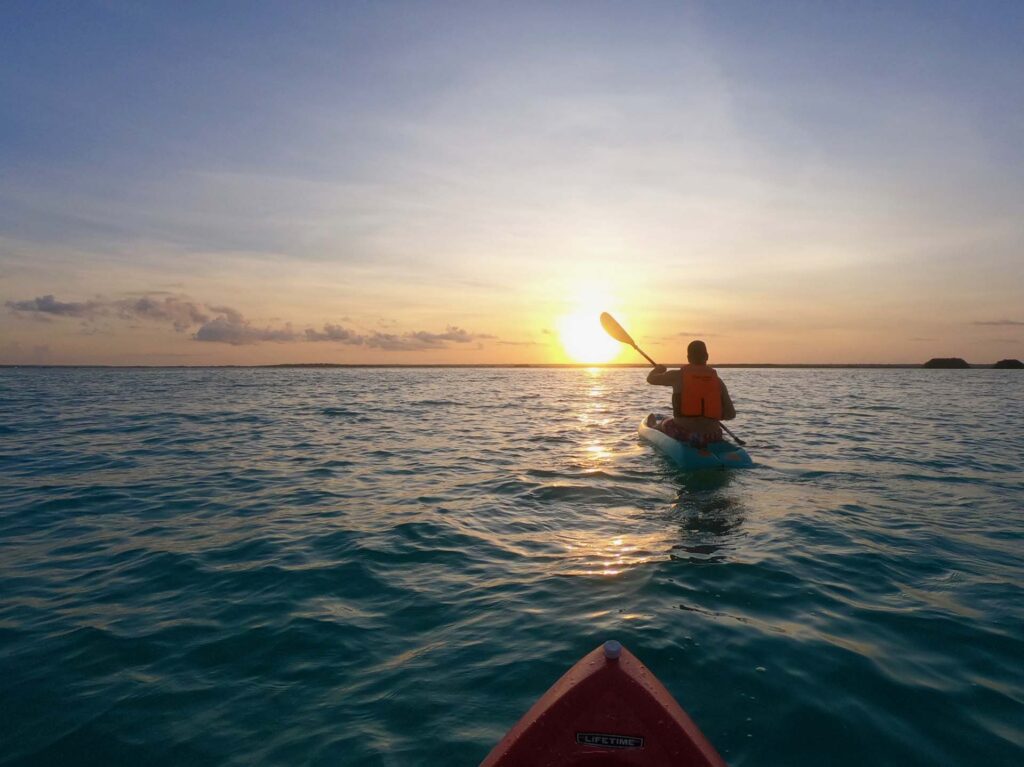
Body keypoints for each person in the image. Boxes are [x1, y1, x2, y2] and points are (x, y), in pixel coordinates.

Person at [646, 340, 735, 446]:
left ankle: (653, 427)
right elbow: (731, 414)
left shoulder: (677, 376)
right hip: (712, 435)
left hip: (685, 433)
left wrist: (657, 370)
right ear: (707, 356)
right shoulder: (718, 381)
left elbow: (651, 379)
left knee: (665, 422)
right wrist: (709, 416)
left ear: (688, 358)